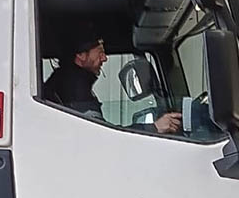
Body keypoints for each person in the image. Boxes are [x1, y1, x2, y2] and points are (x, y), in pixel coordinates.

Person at [42, 29, 181, 134]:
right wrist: (155, 127)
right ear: (80, 55)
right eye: (100, 52)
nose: (105, 58)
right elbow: (101, 135)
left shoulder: (66, 81)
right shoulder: (74, 87)